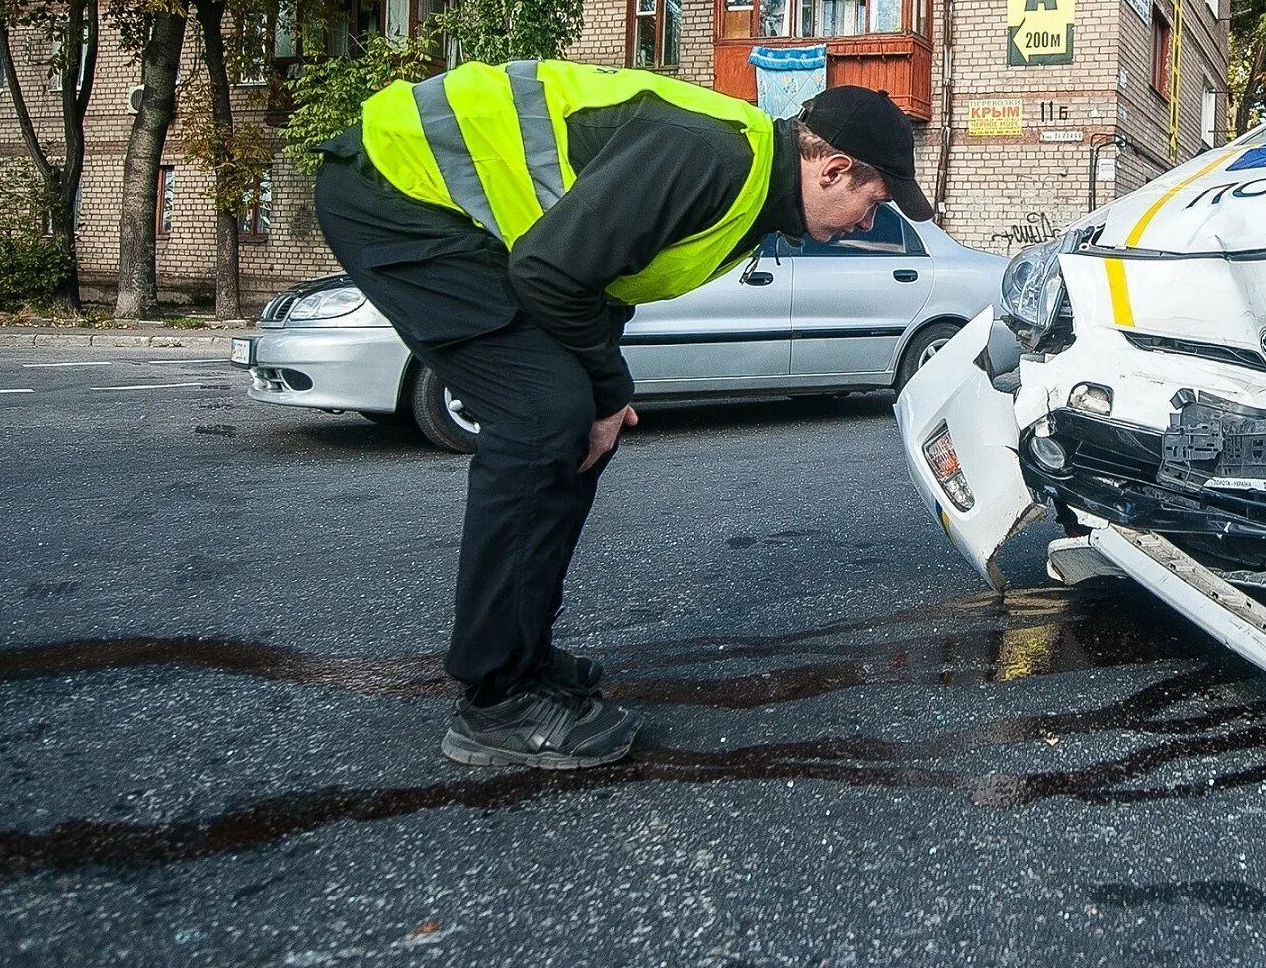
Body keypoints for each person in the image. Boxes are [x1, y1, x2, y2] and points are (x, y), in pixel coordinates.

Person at [314, 62, 929, 769]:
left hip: (438, 207)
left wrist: (600, 395)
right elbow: (547, 271)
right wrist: (607, 391)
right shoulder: (716, 158)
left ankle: (522, 653)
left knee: (566, 421)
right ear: (832, 170)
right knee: (544, 417)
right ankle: (498, 697)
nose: (869, 221)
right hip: (393, 185)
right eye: (873, 201)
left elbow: (602, 277)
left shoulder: (754, 195)